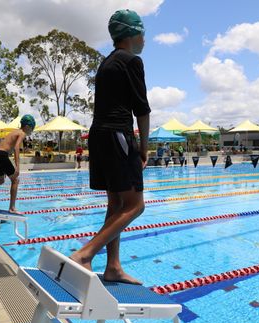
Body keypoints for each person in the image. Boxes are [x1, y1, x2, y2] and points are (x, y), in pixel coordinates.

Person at [70, 9, 150, 285]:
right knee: (136, 205)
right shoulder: (132, 61)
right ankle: (85, 254)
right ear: (131, 33)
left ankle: (113, 267)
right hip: (118, 134)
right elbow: (142, 109)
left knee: (116, 203)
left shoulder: (107, 63)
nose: (144, 39)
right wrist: (143, 147)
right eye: (143, 33)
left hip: (99, 135)